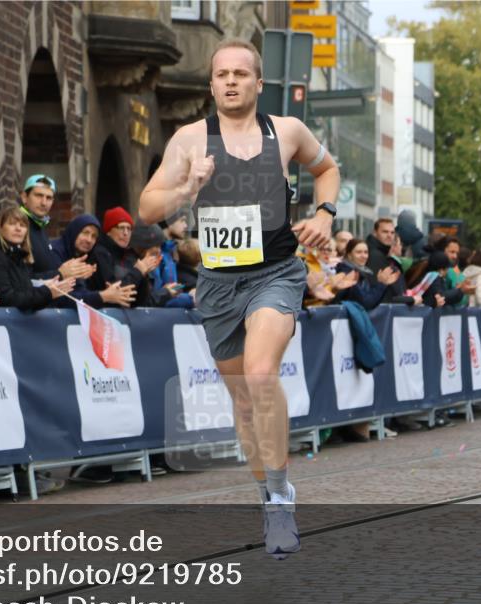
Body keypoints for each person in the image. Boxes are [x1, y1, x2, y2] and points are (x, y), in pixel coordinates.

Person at [139, 38, 339, 558]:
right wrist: (187, 189)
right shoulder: (189, 139)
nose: (230, 82)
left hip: (276, 272)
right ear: (212, 85)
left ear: (257, 82)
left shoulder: (286, 131)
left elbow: (328, 170)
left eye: (240, 74)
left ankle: (279, 500)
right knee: (245, 403)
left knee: (259, 374)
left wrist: (323, 215)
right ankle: (269, 491)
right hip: (218, 283)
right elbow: (146, 208)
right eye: (221, 75)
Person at [0, 207, 74, 311]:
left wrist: (44, 286)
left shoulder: (18, 255)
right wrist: (47, 292)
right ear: (0, 227)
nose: (18, 229)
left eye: (23, 225)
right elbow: (5, 298)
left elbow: (22, 291)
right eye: (12, 224)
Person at [19, 173, 94, 284]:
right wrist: (60, 273)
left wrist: (74, 273)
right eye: (38, 195)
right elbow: (21, 279)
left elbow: (45, 270)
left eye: (49, 198)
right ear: (24, 197)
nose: (44, 202)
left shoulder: (40, 225)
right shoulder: (19, 227)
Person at [50, 213, 136, 308]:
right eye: (85, 232)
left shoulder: (83, 257)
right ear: (74, 231)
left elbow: (81, 293)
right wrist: (102, 296)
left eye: (94, 236)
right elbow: (61, 298)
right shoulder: (55, 252)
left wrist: (106, 294)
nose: (89, 240)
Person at [129, 223, 189, 307]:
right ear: (144, 246)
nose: (159, 251)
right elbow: (144, 303)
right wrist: (166, 292)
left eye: (160, 246)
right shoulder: (132, 266)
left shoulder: (152, 265)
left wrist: (167, 290)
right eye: (156, 246)